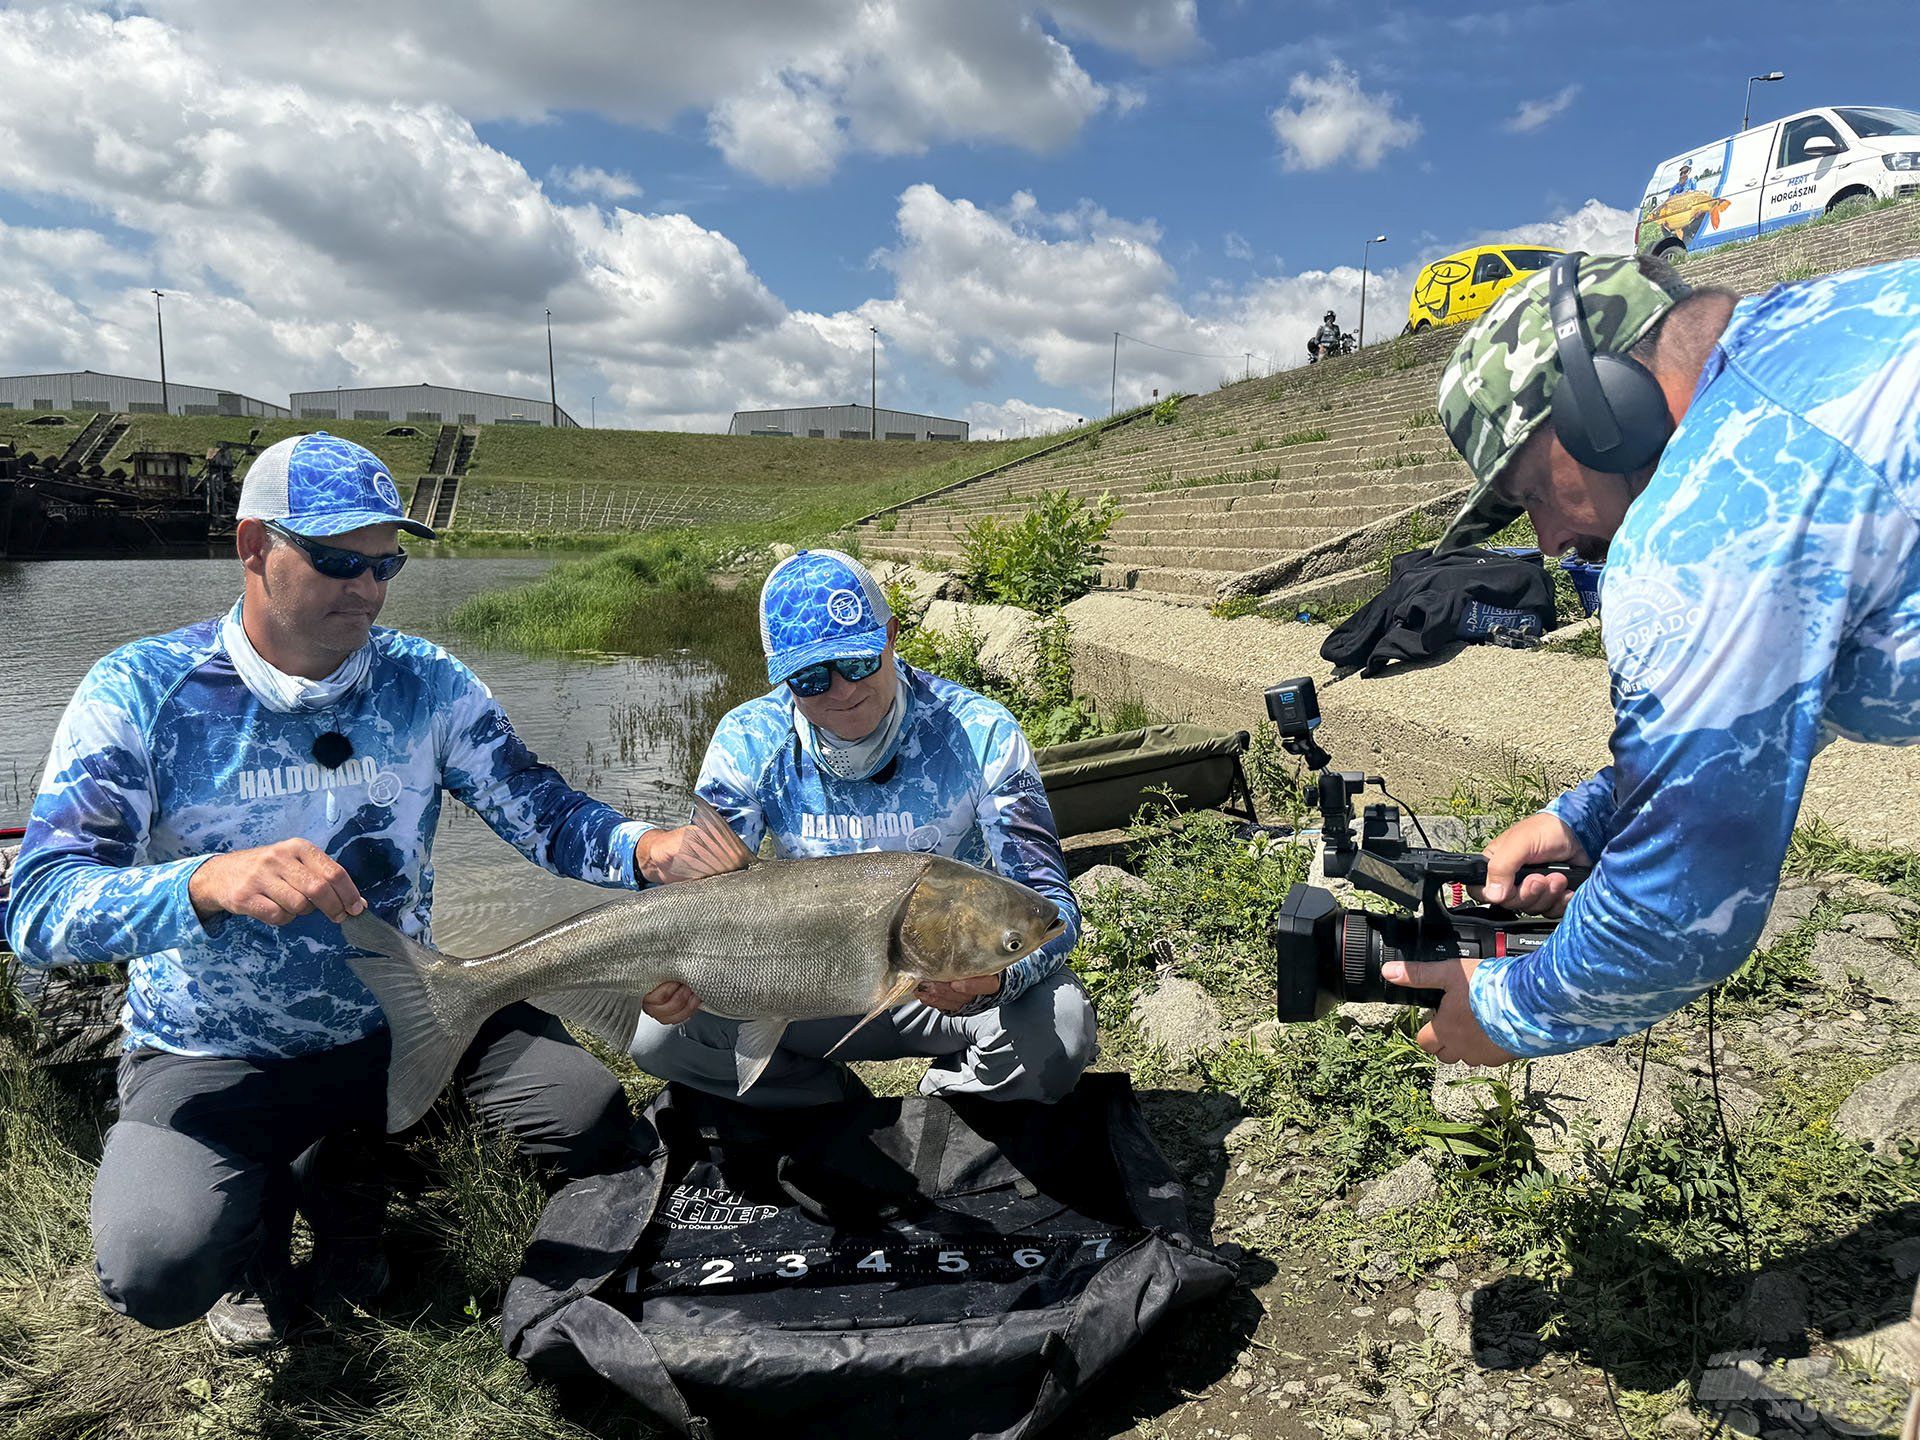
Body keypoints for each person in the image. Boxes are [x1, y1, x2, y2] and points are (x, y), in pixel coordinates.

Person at [6, 432, 726, 1350]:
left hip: (414, 1010)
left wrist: (648, 851)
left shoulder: (424, 682)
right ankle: (268, 1209)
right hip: (217, 1047)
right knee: (154, 1265)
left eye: (387, 563)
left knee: (586, 1116)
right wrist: (205, 881)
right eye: (339, 559)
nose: (369, 589)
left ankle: (357, 1166)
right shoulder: (142, 690)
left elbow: (540, 810)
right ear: (253, 546)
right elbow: (41, 906)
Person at [1383, 252, 1920, 1421]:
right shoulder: (1836, 325)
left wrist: (1504, 1011)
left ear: (1593, 407)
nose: (1553, 546)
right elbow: (1763, 712)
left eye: (1531, 494)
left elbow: (1687, 907)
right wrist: (1584, 818)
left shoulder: (1707, 520)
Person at [629, 548, 1096, 1105]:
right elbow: (703, 898)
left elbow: (1052, 908)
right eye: (810, 678)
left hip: (945, 990)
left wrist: (991, 983)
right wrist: (669, 974)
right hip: (805, 989)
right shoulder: (748, 740)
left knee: (1061, 1032)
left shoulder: (980, 731)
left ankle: (949, 1099)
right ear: (781, 678)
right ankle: (831, 1105)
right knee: (658, 1039)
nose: (843, 691)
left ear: (892, 637)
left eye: (858, 663)